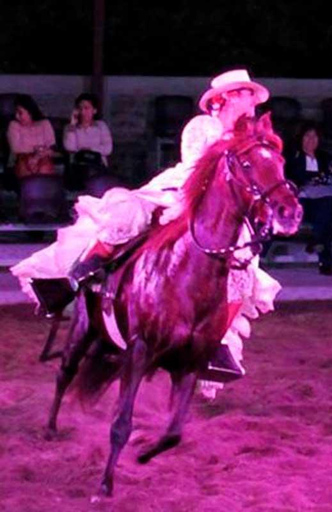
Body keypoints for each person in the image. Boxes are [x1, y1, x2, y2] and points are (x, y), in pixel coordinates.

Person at [12, 69, 277, 391]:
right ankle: (81, 273)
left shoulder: (245, 137)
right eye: (247, 93)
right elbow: (196, 167)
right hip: (187, 188)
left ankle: (212, 344)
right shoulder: (203, 126)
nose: (252, 101)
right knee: (128, 216)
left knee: (243, 269)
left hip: (223, 205)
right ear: (230, 96)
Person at [286, 122, 332, 276]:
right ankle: (324, 257)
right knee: (324, 219)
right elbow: (290, 180)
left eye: (314, 136)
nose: (311, 140)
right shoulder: (293, 157)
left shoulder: (325, 157)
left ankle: (319, 246)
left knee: (327, 209)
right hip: (302, 202)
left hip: (322, 200)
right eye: (307, 136)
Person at [63, 93, 113, 189]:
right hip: (78, 166)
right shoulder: (70, 128)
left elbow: (108, 149)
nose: (83, 112)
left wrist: (89, 149)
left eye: (86, 108)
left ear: (94, 110)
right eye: (80, 108)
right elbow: (70, 147)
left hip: (97, 164)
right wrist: (72, 127)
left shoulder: (101, 126)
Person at [6, 94, 56, 180]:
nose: (17, 116)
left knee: (44, 165)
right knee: (25, 162)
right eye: (16, 112)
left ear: (29, 111)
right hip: (21, 158)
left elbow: (51, 146)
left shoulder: (45, 124)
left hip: (43, 157)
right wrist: (36, 152)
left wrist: (37, 157)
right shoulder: (14, 125)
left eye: (20, 113)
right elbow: (16, 148)